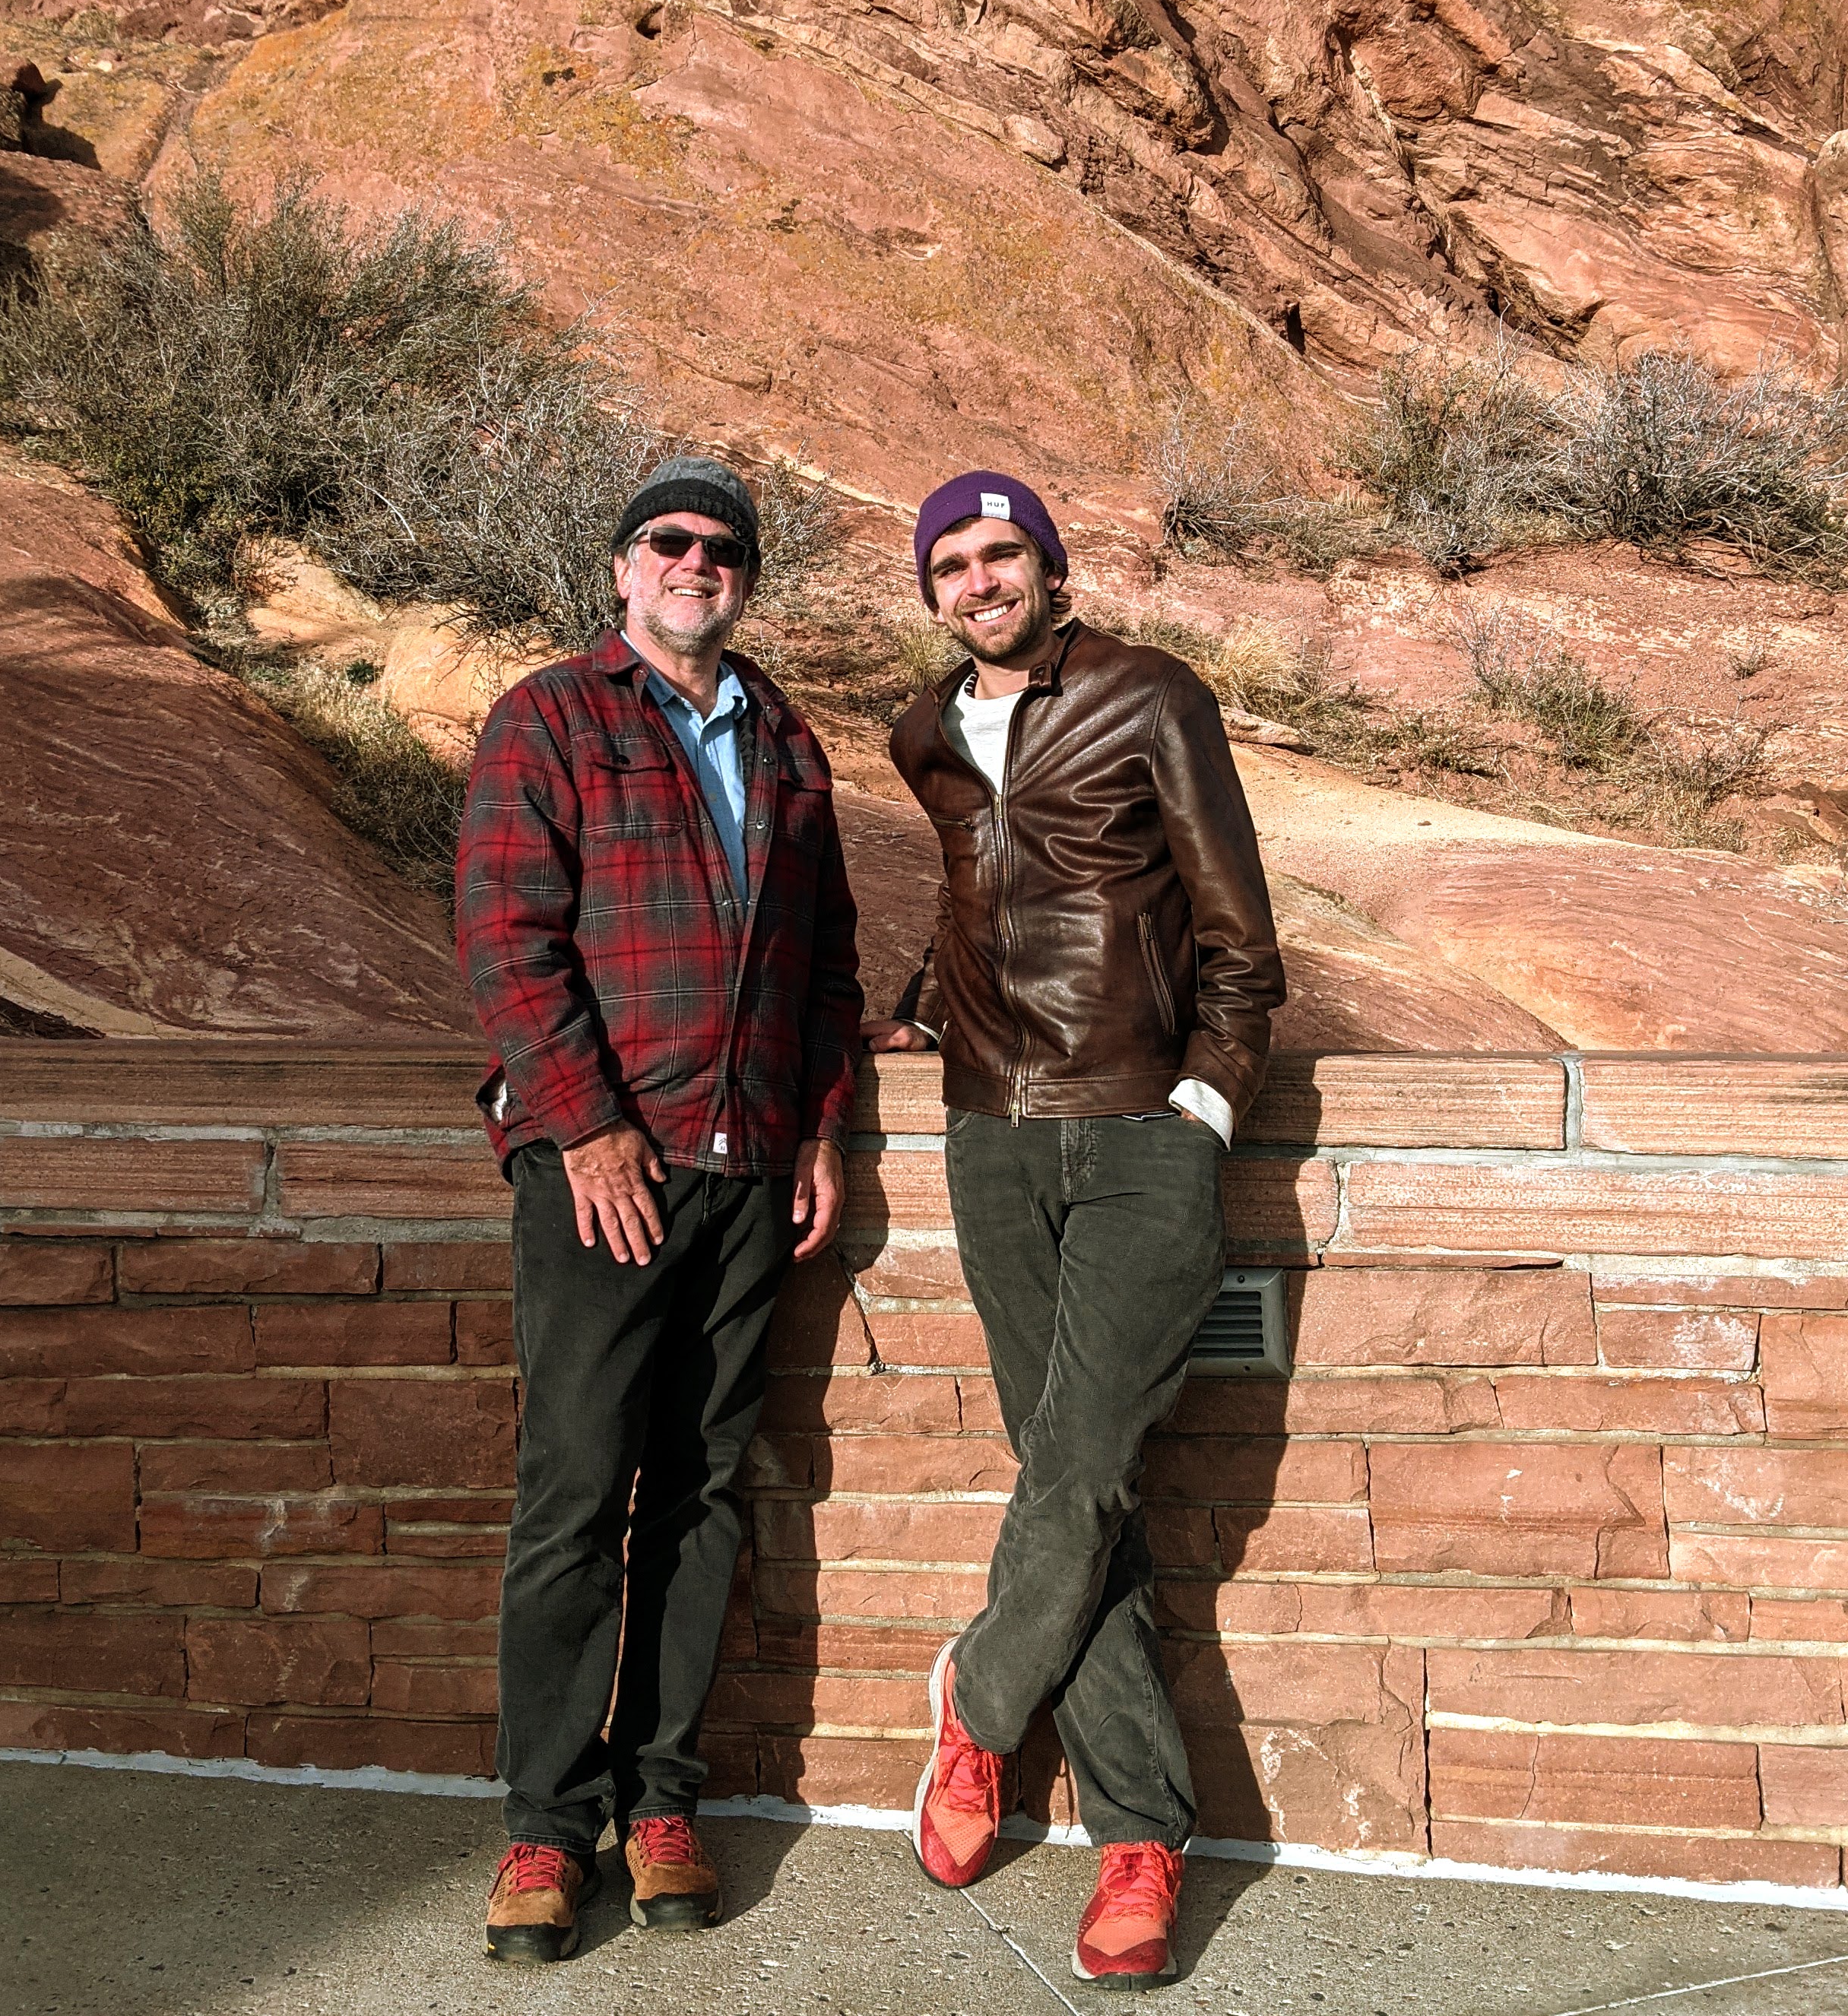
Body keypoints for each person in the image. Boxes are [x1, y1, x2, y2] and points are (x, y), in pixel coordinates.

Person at [867, 470, 1285, 1992]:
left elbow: (1240, 934)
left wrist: (1206, 1109)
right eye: (953, 564)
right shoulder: (922, 729)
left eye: (1002, 554)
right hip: (988, 1139)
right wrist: (920, 1005)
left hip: (1135, 1139)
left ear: (1048, 567)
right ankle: (1135, 1838)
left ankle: (977, 1703)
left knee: (1087, 1458)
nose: (979, 580)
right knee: (1070, 1475)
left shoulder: (1149, 696)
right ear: (931, 590)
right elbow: (973, 883)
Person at [455, 455, 864, 1964]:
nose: (696, 562)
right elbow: (506, 938)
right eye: (667, 541)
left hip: (746, 1170)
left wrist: (816, 1125)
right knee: (575, 1491)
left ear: (743, 579)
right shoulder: (553, 716)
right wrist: (589, 1129)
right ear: (622, 569)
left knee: (698, 1490)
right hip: (597, 1176)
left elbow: (823, 961)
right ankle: (547, 1826)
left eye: (721, 549)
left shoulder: (784, 737)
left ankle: (661, 1797)